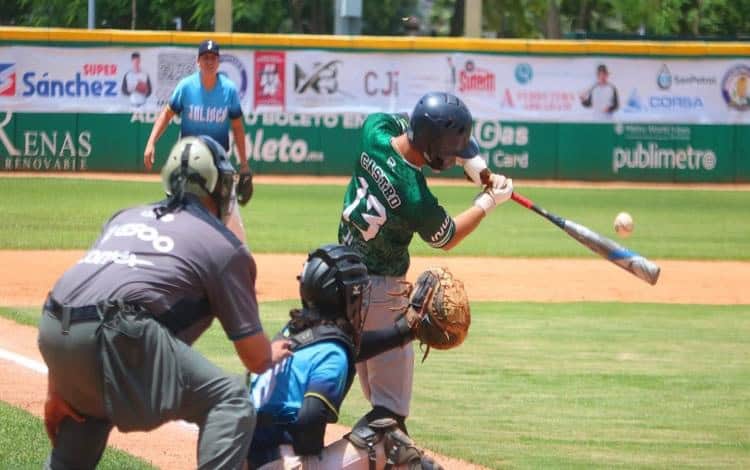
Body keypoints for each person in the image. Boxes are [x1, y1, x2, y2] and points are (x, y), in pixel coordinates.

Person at [38, 135, 291, 470]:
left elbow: (79, 293)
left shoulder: (125, 216)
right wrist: (270, 352)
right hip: (117, 334)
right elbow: (255, 358)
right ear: (217, 185)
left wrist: (60, 386)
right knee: (231, 401)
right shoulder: (224, 246)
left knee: (87, 412)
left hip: (54, 329)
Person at [337, 91, 513, 433]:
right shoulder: (415, 196)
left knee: (375, 394)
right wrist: (488, 201)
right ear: (436, 150)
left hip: (341, 277)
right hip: (381, 295)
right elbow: (446, 236)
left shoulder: (374, 131)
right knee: (389, 414)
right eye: (452, 152)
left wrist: (471, 159)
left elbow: (410, 124)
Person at [247, 244, 443, 469]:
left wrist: (405, 330)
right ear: (349, 299)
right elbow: (308, 424)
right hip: (278, 463)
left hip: (247, 457)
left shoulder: (294, 332)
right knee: (386, 436)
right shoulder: (332, 354)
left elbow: (350, 350)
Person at [143, 39, 254, 236]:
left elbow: (237, 127)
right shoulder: (186, 87)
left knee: (234, 228)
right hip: (187, 168)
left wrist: (244, 164)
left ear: (219, 62)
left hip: (220, 167)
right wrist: (151, 142)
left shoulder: (229, 90)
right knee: (177, 221)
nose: (209, 61)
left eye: (213, 58)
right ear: (198, 61)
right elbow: (166, 115)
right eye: (205, 57)